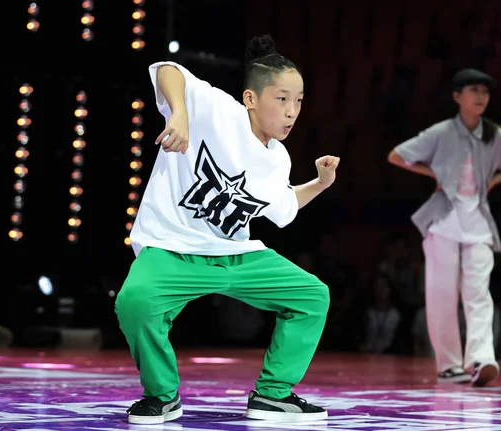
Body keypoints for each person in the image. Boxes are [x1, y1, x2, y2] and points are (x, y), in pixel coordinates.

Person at [115, 34, 339, 425]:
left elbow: (284, 206)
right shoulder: (216, 110)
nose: (292, 111)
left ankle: (273, 395)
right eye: (282, 98)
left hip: (234, 255)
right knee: (135, 302)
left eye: (299, 101)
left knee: (312, 296)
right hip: (172, 247)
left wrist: (319, 183)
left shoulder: (277, 159)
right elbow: (167, 71)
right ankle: (162, 396)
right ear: (251, 99)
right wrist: (180, 114)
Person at [387, 69, 501, 386]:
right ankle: (449, 365)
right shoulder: (441, 132)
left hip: (478, 220)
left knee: (479, 292)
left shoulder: (494, 134)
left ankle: (481, 359)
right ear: (457, 96)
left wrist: (492, 181)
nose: (481, 96)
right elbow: (397, 156)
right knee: (442, 294)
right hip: (444, 220)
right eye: (474, 90)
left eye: (485, 92)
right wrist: (434, 174)